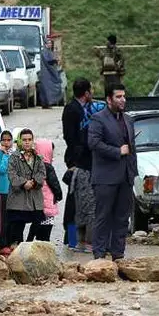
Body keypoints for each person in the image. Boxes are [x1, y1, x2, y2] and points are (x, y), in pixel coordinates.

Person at [86, 84, 137, 260]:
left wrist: (133, 172)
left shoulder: (128, 119)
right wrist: (117, 151)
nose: (122, 99)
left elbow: (132, 148)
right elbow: (93, 143)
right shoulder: (98, 119)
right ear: (109, 99)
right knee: (103, 216)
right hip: (105, 177)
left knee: (122, 217)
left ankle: (118, 253)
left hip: (125, 177)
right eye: (118, 97)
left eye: (124, 96)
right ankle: (99, 254)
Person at [61, 78, 100, 251]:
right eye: (91, 90)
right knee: (72, 206)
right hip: (76, 163)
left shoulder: (88, 109)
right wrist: (74, 162)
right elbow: (70, 138)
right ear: (86, 93)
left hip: (86, 163)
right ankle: (71, 239)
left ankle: (81, 239)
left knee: (84, 205)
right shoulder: (72, 110)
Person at [4, 129, 46, 252]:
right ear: (20, 141)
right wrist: (23, 183)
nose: (27, 142)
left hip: (34, 197)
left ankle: (29, 244)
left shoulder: (37, 157)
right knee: (18, 225)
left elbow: (42, 173)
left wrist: (33, 182)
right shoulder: (14, 157)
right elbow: (11, 174)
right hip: (18, 198)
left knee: (37, 221)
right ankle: (18, 249)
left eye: (29, 140)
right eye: (24, 140)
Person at [28, 137, 62, 243]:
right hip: (48, 202)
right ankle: (44, 246)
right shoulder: (48, 167)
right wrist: (59, 195)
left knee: (36, 225)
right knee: (46, 230)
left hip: (36, 203)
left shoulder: (32, 165)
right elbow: (55, 184)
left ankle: (29, 242)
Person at [0, 130, 13, 254]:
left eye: (8, 140)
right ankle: (2, 244)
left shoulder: (15, 154)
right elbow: (1, 169)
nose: (6, 142)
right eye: (4, 140)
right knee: (2, 219)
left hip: (13, 191)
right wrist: (5, 155)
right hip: (2, 191)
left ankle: (10, 242)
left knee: (12, 219)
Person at [37, 40, 63, 108]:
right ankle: (46, 103)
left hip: (48, 73)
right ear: (45, 44)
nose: (50, 44)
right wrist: (54, 61)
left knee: (48, 89)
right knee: (46, 89)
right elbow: (48, 61)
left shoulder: (49, 51)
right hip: (46, 74)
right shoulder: (44, 51)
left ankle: (47, 103)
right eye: (48, 43)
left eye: (51, 43)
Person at [99, 34, 126, 98]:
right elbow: (104, 60)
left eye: (107, 41)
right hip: (107, 74)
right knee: (107, 90)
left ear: (110, 41)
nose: (106, 42)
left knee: (115, 90)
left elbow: (121, 60)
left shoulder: (116, 50)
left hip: (114, 74)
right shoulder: (106, 50)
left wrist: (117, 67)